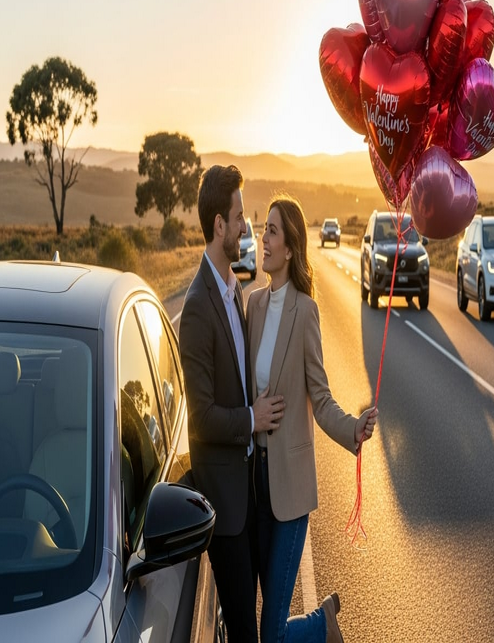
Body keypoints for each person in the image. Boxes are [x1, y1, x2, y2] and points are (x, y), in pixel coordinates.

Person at [247, 194, 378, 643]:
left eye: (273, 231)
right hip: (256, 484)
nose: (263, 238)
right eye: (263, 228)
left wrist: (352, 430)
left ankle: (322, 626)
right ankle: (323, 622)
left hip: (292, 488)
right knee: (269, 620)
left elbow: (319, 398)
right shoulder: (254, 306)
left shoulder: (305, 311)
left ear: (290, 248)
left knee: (271, 634)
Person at [178, 164, 286, 643]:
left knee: (257, 617)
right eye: (240, 216)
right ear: (219, 224)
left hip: (250, 491)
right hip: (222, 504)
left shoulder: (233, 290)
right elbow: (199, 420)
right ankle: (321, 628)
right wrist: (251, 417)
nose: (246, 226)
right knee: (245, 628)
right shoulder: (199, 305)